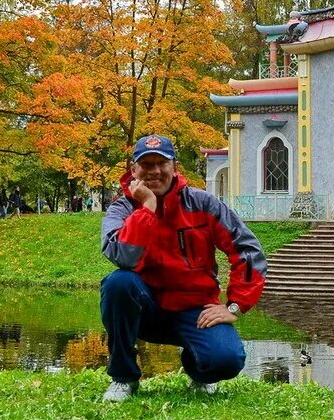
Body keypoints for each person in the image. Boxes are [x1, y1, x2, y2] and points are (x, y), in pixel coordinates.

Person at [100, 134, 267, 402]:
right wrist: (147, 208)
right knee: (118, 283)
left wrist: (234, 306)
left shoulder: (203, 203)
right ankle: (123, 378)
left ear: (174, 167)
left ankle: (197, 367)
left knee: (227, 360)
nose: (154, 171)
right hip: (145, 310)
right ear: (134, 170)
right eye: (146, 164)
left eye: (161, 163)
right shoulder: (121, 209)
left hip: (195, 310)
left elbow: (247, 250)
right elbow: (124, 258)